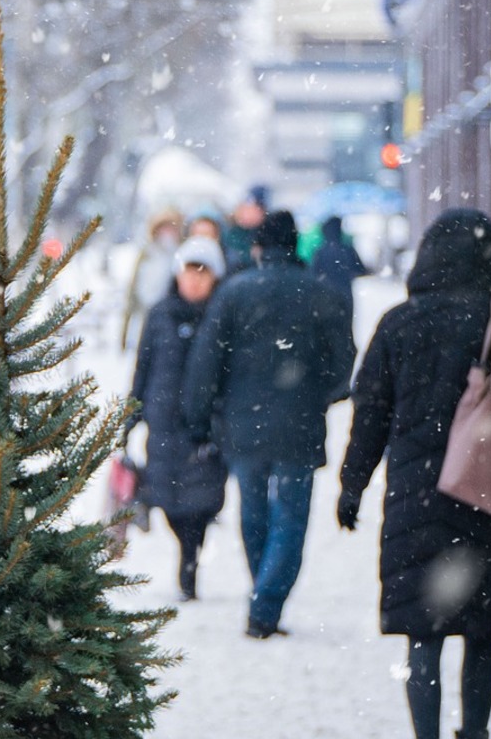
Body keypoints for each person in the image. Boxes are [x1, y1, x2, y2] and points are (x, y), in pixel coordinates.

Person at [337, 208, 491, 739]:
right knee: (482, 630)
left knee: (424, 634)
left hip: (417, 500)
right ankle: (476, 732)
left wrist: (353, 484)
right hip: (490, 494)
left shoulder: (398, 322)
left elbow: (369, 412)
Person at [182, 210, 356, 637]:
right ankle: (267, 600)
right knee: (291, 517)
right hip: (299, 425)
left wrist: (199, 418)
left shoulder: (233, 294)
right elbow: (342, 364)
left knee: (254, 511)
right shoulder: (321, 293)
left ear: (258, 247)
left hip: (243, 426)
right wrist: (320, 396)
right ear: (295, 246)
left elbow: (206, 362)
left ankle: (262, 592)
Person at [127, 235, 228, 601]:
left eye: (203, 273)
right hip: (163, 423)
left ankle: (190, 560)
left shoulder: (222, 315)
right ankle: (186, 552)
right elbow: (143, 367)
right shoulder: (159, 314)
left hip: (205, 426)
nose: (195, 280)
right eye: (190, 271)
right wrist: (130, 414)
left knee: (202, 503)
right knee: (167, 500)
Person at [120, 207, 183, 350]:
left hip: (169, 315)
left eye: (171, 229)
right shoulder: (147, 253)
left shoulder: (180, 255)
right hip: (144, 312)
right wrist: (124, 333)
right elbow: (134, 288)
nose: (167, 234)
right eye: (163, 228)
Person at [311, 215, 368, 311]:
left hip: (325, 295)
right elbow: (361, 270)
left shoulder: (320, 251)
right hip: (345, 295)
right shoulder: (348, 250)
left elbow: (313, 273)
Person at [221, 184, 268, 275]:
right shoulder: (230, 233)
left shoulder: (267, 236)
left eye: (252, 208)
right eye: (245, 207)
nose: (246, 212)